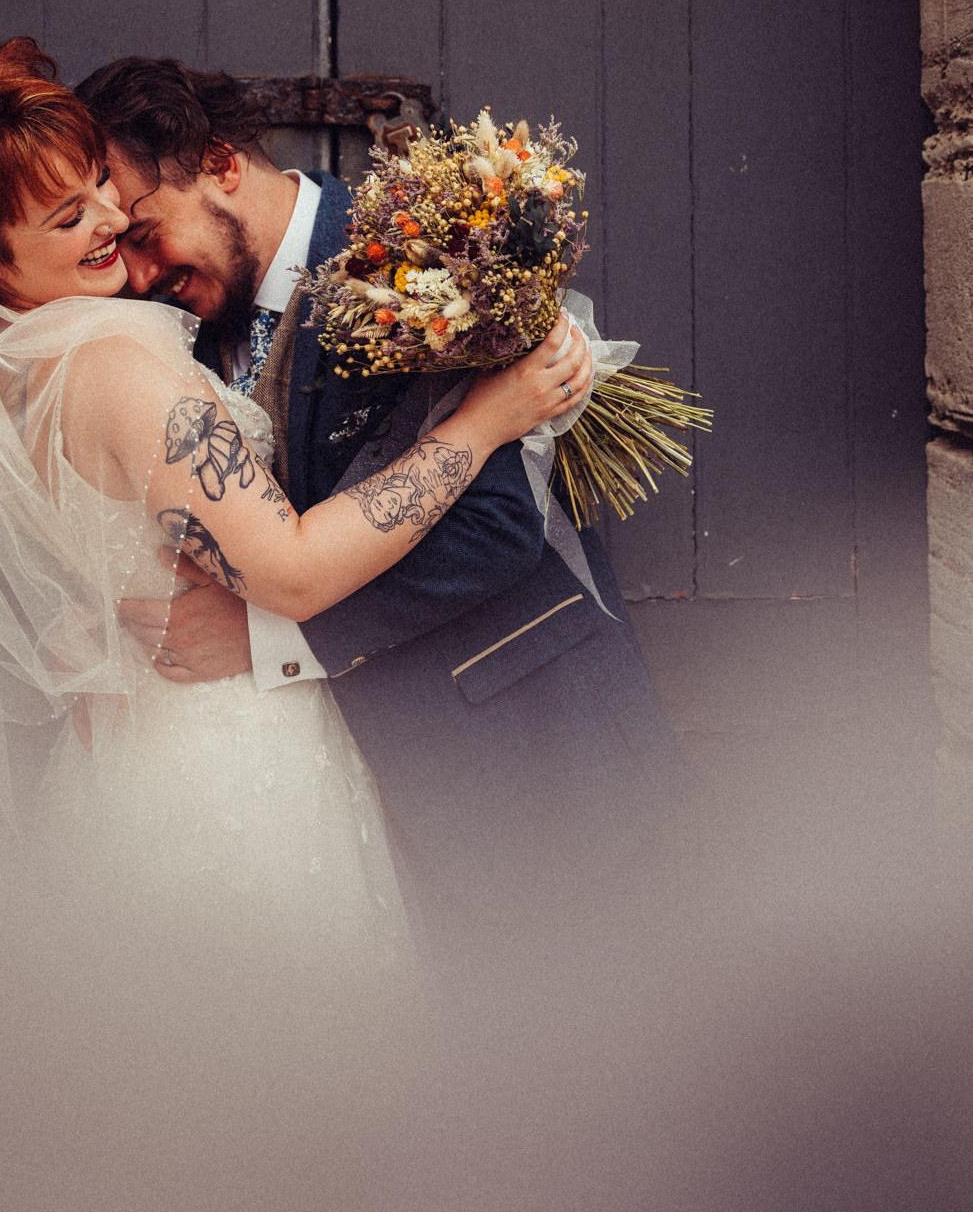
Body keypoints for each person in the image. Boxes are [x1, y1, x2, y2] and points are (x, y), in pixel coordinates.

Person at [0, 39, 594, 973]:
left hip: (147, 753)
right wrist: (485, 422)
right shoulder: (112, 361)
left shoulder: (13, 372)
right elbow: (293, 569)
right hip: (226, 766)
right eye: (72, 215)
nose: (111, 220)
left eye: (104, 189)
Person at [75, 57, 689, 958]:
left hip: (528, 758)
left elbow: (495, 527)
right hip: (356, 807)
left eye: (142, 231)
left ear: (217, 162)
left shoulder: (418, 255)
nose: (133, 272)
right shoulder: (172, 331)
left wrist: (265, 637)